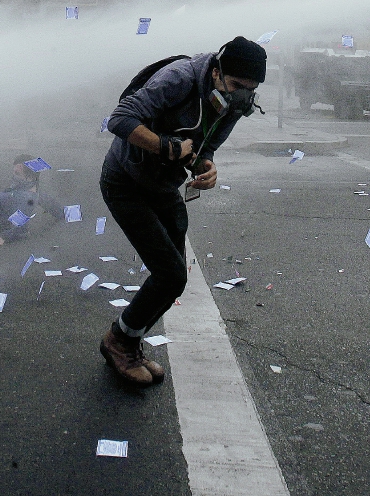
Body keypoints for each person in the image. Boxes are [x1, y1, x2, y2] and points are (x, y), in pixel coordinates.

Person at [98, 36, 266, 386]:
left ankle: (127, 341)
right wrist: (165, 147)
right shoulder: (179, 79)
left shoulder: (235, 104)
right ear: (217, 73)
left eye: (249, 91)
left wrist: (207, 167)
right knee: (170, 274)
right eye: (235, 86)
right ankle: (119, 343)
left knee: (175, 279)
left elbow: (208, 147)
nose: (240, 97)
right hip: (125, 183)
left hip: (162, 186)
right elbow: (119, 119)